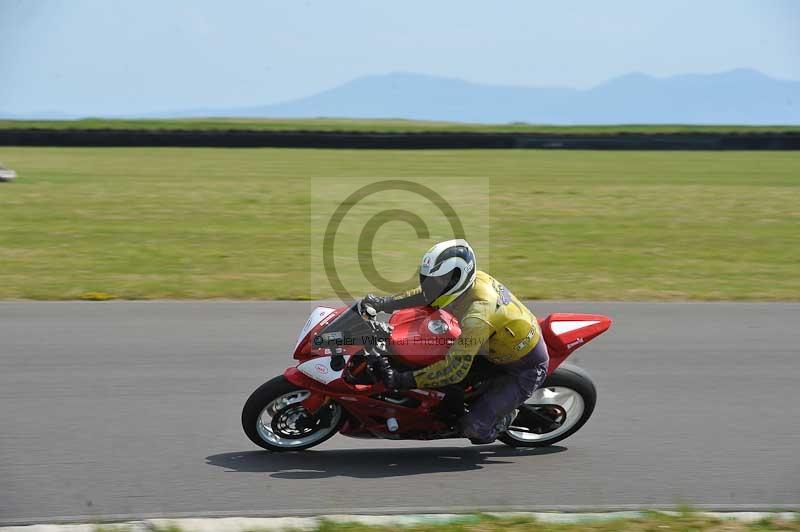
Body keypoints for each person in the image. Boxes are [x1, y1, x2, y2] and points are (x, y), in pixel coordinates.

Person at [361, 239, 549, 444]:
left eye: (437, 282)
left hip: (522, 366)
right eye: (428, 280)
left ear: (456, 279)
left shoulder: (478, 316)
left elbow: (454, 369)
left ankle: (506, 418)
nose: (430, 287)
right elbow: (424, 296)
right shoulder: (469, 282)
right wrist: (384, 303)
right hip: (491, 343)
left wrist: (402, 381)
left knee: (475, 429)